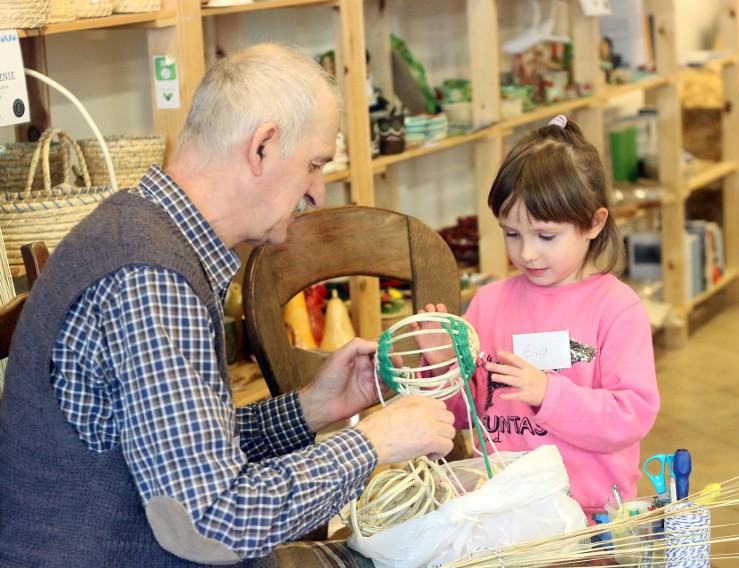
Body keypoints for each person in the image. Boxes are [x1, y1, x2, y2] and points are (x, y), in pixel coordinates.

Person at [0, 43, 455, 567]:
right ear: (261, 146)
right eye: (313, 164)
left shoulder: (141, 233)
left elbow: (184, 454)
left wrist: (313, 407)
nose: (318, 192)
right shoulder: (151, 277)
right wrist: (373, 442)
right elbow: (212, 523)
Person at [414, 115, 659, 519]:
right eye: (512, 234)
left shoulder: (617, 309)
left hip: (590, 514)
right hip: (500, 508)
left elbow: (630, 417)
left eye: (546, 236)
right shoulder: (488, 304)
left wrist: (549, 394)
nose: (526, 253)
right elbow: (461, 415)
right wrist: (442, 367)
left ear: (594, 223)